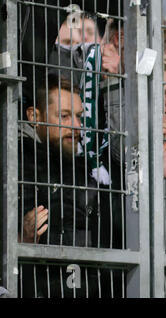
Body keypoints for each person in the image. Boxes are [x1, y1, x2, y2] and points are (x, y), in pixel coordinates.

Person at [18, 74, 108, 297]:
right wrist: (20, 239)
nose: (77, 127)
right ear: (34, 117)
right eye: (65, 116)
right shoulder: (14, 165)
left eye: (78, 117)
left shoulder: (84, 171)